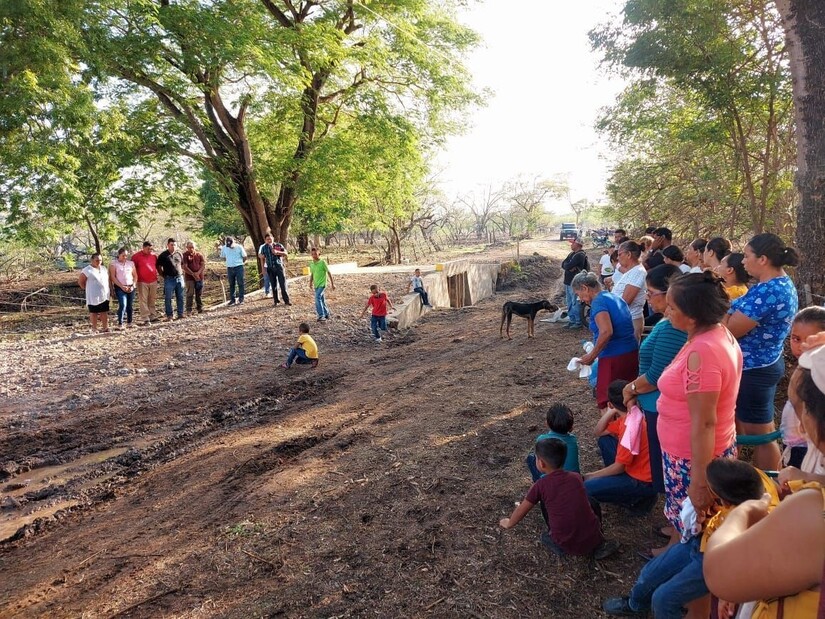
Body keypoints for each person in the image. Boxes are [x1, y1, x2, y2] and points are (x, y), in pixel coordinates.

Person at [703, 344, 825, 617]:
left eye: (800, 410)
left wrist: (745, 510)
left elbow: (721, 573)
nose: (800, 424)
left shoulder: (816, 511)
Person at [603, 458, 775, 618]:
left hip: (714, 561)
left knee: (664, 599)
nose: (704, 487)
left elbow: (738, 563)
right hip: (698, 541)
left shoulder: (745, 524)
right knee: (648, 573)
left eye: (709, 487)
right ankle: (636, 606)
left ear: (724, 501)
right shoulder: (753, 479)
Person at [655, 272, 742, 554]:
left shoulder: (702, 352)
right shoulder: (714, 332)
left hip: (693, 458)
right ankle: (675, 539)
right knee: (686, 517)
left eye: (672, 307)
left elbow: (705, 422)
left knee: (696, 527)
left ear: (692, 317)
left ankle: (678, 565)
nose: (666, 311)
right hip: (692, 452)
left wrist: (699, 482)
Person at [724, 233, 799, 470]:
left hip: (755, 369)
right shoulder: (771, 285)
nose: (743, 262)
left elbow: (731, 329)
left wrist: (719, 310)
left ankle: (769, 484)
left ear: (763, 259)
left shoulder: (770, 291)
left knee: (762, 434)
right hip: (759, 363)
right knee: (753, 427)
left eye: (747, 256)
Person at [622, 265, 687, 498]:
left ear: (669, 293)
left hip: (660, 407)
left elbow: (655, 376)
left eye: (651, 293)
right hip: (655, 404)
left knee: (668, 464)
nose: (647, 298)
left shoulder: (673, 328)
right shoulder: (667, 321)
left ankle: (677, 523)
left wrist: (629, 390)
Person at [499, 438, 618, 560]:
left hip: (566, 543)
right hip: (594, 537)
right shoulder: (576, 477)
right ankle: (599, 545)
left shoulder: (540, 486)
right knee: (589, 501)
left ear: (541, 463)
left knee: (545, 505)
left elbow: (521, 510)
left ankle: (557, 543)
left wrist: (509, 523)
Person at [584, 380, 657, 515]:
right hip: (648, 471)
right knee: (605, 440)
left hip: (642, 481)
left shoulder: (629, 427)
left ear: (611, 404)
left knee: (586, 488)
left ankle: (636, 500)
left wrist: (590, 476)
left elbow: (619, 467)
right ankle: (627, 490)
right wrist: (611, 412)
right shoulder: (635, 414)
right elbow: (599, 432)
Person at [571, 271, 639, 412]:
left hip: (614, 357)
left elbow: (606, 331)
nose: (581, 299)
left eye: (579, 295)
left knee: (607, 401)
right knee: (627, 398)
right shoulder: (614, 297)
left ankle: (613, 432)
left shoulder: (598, 302)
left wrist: (591, 356)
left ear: (585, 288)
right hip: (631, 353)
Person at [777, 307, 825, 476]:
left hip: (806, 449)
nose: (802, 346)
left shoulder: (817, 377)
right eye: (796, 339)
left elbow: (796, 400)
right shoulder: (808, 370)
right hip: (796, 445)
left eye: (811, 340)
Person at [526, 404, 580, 480]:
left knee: (531, 458)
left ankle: (538, 483)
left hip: (551, 483)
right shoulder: (573, 439)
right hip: (573, 479)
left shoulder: (542, 439)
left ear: (547, 424)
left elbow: (540, 465)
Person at [611, 240, 647, 341]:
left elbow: (625, 301)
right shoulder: (631, 271)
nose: (617, 258)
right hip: (624, 319)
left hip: (630, 320)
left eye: (619, 254)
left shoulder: (638, 272)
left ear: (628, 254)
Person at [561, 238, 589, 330]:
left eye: (573, 243)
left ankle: (578, 322)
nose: (571, 245)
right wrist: (568, 266)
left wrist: (568, 266)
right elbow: (563, 264)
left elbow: (567, 265)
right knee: (569, 302)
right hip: (568, 282)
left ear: (578, 244)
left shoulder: (579, 255)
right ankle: (572, 321)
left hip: (575, 283)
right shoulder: (572, 254)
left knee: (575, 302)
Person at [79, 253, 111, 333]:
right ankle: (94, 328)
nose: (98, 262)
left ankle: (105, 327)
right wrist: (87, 289)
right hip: (93, 295)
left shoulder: (104, 268)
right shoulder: (87, 270)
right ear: (92, 260)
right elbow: (81, 282)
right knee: (94, 312)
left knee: (104, 311)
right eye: (97, 260)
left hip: (104, 294)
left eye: (100, 260)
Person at [131, 241, 159, 325]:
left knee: (152, 298)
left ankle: (152, 315)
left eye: (151, 249)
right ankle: (145, 317)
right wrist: (134, 281)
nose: (150, 250)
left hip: (153, 280)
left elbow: (156, 266)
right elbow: (132, 269)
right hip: (142, 281)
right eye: (148, 249)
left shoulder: (154, 256)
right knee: (143, 299)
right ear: (143, 247)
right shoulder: (136, 257)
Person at [156, 238, 184, 321]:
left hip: (179, 278)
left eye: (175, 245)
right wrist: (163, 275)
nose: (173, 246)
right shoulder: (163, 255)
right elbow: (158, 266)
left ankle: (180, 314)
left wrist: (181, 273)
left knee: (180, 296)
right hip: (169, 279)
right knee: (168, 298)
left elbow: (182, 264)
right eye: (171, 245)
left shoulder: (179, 254)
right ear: (167, 245)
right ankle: (169, 315)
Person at [259, 234, 291, 306]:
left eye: (270, 239)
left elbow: (286, 253)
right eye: (267, 239)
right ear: (265, 240)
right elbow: (261, 257)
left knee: (283, 284)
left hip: (279, 267)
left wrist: (278, 252)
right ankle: (276, 301)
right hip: (270, 268)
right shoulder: (264, 248)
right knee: (273, 285)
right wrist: (263, 268)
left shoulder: (278, 245)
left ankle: (286, 300)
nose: (269, 241)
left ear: (273, 238)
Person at [108, 247, 137, 329]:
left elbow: (135, 275)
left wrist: (133, 285)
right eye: (123, 255)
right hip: (120, 287)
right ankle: (120, 323)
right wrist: (121, 286)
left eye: (126, 255)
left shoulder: (131, 263)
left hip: (130, 286)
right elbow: (113, 277)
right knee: (123, 304)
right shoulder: (114, 264)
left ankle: (129, 322)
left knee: (130, 305)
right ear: (119, 255)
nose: (125, 257)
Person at [218, 236, 247, 305]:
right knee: (231, 284)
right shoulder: (224, 248)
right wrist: (229, 261)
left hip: (239, 267)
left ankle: (241, 298)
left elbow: (245, 256)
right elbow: (223, 256)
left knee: (240, 283)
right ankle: (232, 299)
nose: (230, 246)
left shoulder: (239, 247)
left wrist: (241, 263)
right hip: (230, 267)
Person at [308, 247, 334, 322]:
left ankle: (321, 315)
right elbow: (312, 274)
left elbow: (328, 272)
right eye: (312, 254)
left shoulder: (322, 262)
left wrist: (332, 284)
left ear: (319, 254)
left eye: (315, 254)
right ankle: (326, 313)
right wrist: (310, 283)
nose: (314, 255)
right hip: (316, 284)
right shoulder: (311, 264)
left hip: (322, 284)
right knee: (321, 299)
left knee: (317, 297)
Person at [181, 241, 205, 315]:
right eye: (189, 247)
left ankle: (200, 308)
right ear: (187, 248)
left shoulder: (199, 255)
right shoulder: (184, 255)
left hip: (199, 277)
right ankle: (189, 310)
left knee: (199, 294)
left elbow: (203, 265)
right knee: (190, 294)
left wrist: (198, 273)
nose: (191, 249)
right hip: (189, 278)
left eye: (192, 247)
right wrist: (193, 274)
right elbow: (184, 267)